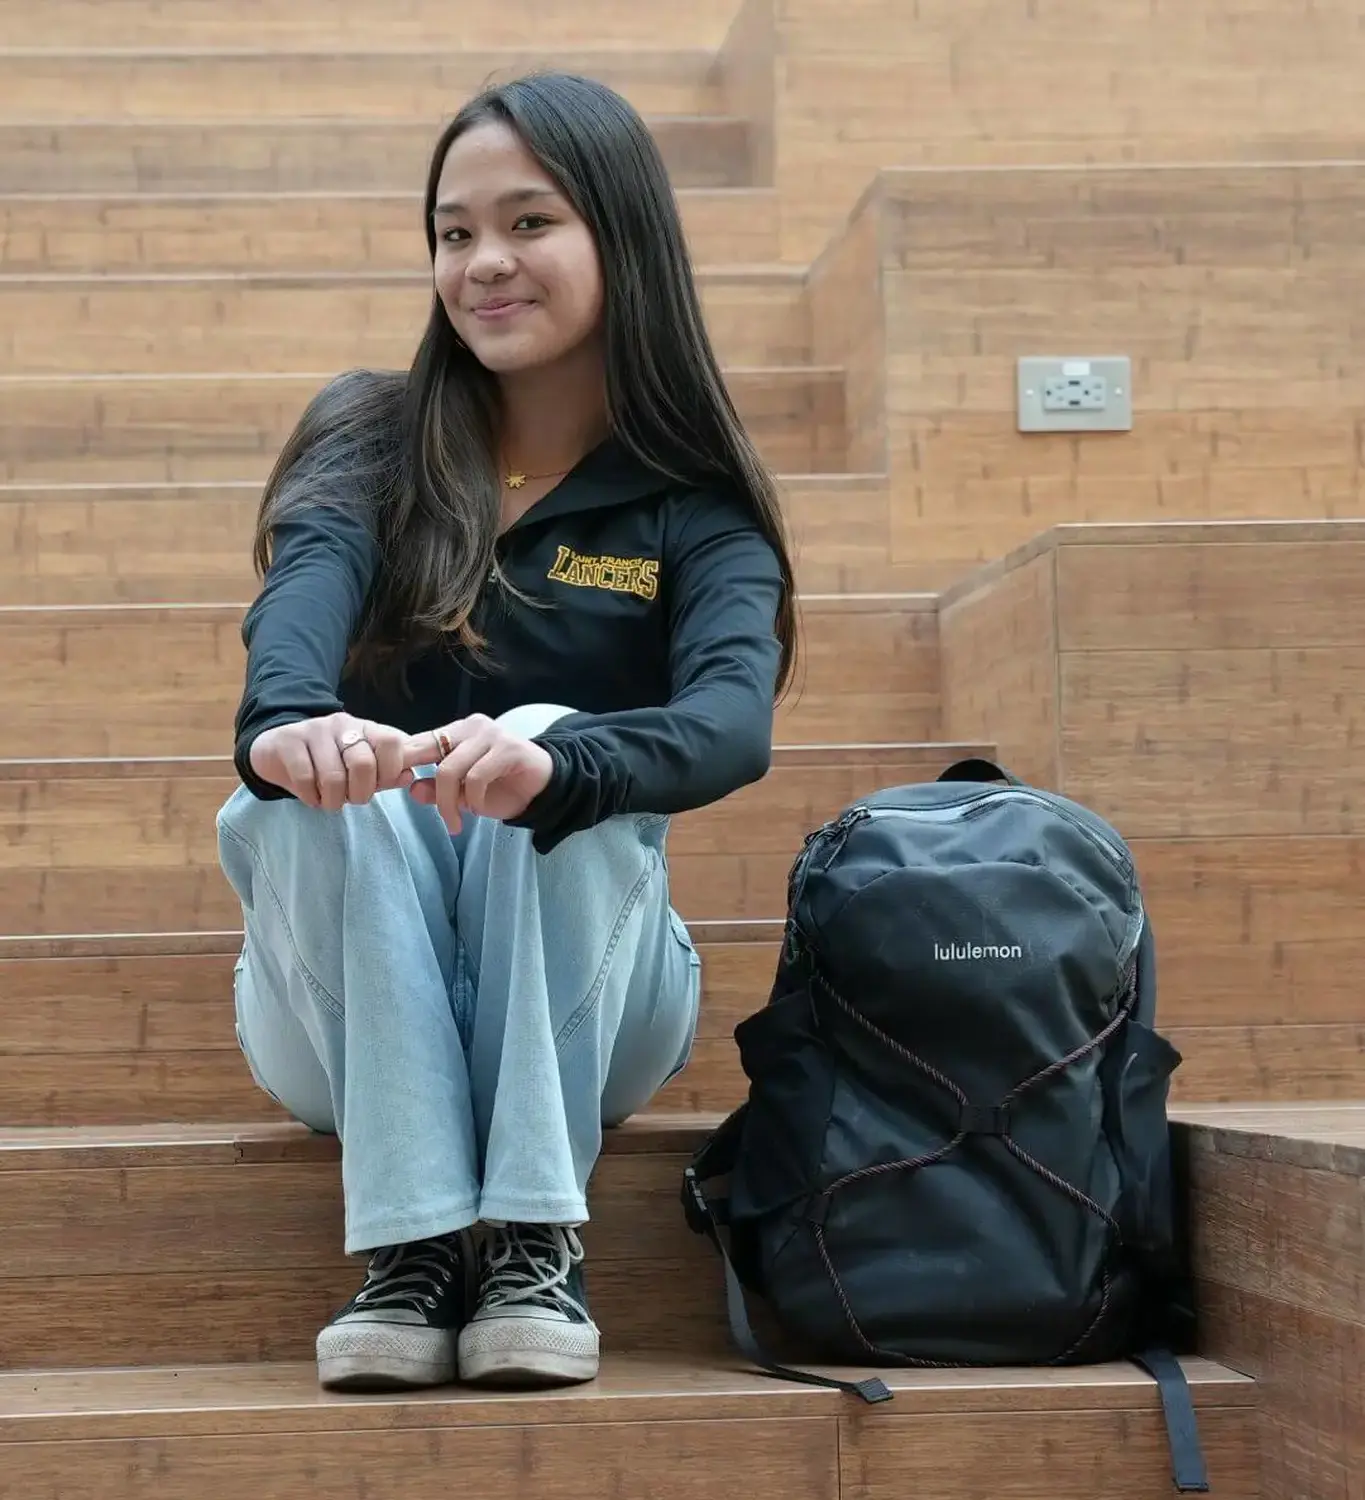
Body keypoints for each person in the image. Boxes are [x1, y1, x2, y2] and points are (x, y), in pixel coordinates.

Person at [214, 71, 798, 1397]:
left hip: (589, 1003)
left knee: (550, 740)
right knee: (321, 789)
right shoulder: (371, 436)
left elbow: (726, 725)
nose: (482, 264)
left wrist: (562, 763)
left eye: (528, 224)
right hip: (340, 1005)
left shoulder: (692, 506)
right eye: (452, 231)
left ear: (619, 236)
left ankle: (536, 1235)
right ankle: (415, 1247)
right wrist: (295, 732)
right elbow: (295, 613)